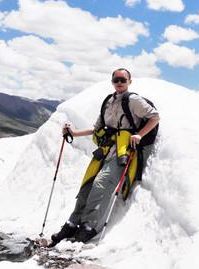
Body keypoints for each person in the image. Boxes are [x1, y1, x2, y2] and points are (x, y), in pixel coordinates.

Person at [50, 68, 160, 245]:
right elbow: (97, 128)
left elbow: (154, 117)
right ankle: (72, 223)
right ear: (112, 81)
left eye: (123, 80)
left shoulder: (133, 100)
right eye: (116, 79)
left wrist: (139, 134)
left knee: (102, 183)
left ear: (129, 82)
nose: (119, 82)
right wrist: (73, 133)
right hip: (105, 148)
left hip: (123, 151)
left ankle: (89, 226)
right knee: (88, 184)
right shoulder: (108, 101)